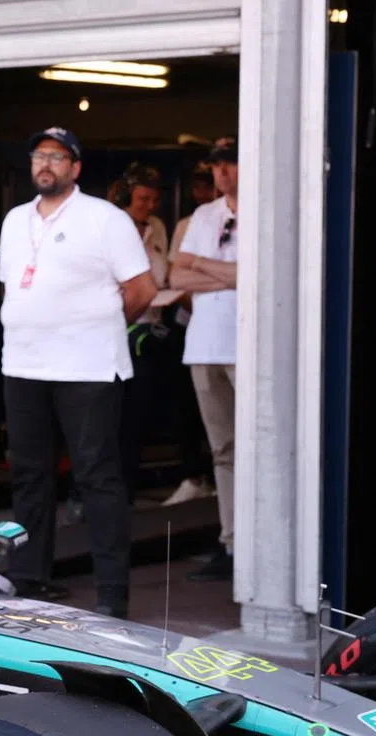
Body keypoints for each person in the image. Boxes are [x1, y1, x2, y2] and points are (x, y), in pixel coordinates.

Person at [0, 126, 156, 618]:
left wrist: (97, 327)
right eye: (38, 155)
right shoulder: (14, 220)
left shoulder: (105, 219)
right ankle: (29, 577)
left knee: (97, 477)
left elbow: (142, 289)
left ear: (76, 167)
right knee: (29, 475)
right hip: (23, 364)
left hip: (88, 367)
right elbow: (10, 288)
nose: (45, 164)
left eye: (57, 156)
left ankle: (112, 593)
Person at [170, 136, 239, 582]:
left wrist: (202, 265)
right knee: (223, 449)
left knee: (258, 448)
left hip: (246, 345)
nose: (222, 172)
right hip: (204, 344)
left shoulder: (263, 208)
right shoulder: (203, 215)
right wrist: (231, 275)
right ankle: (231, 541)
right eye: (216, 166)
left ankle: (257, 543)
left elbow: (256, 274)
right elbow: (177, 275)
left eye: (230, 163)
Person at [160, 160, 219, 506]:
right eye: (197, 185)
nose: (202, 192)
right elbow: (177, 278)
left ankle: (219, 477)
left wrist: (204, 276)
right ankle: (193, 475)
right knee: (187, 405)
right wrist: (220, 281)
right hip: (189, 322)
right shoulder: (187, 224)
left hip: (227, 324)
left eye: (207, 184)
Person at [116, 162, 169, 502]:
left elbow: (162, 274)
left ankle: (128, 488)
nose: (149, 207)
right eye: (142, 199)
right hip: (118, 330)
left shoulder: (158, 227)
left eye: (154, 200)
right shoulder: (113, 224)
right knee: (113, 416)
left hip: (150, 331)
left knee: (139, 415)